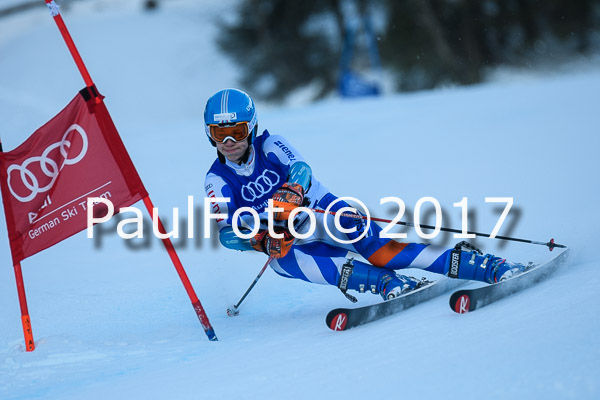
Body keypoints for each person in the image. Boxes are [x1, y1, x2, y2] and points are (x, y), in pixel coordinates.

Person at [203, 88, 526, 302]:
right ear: (210, 135)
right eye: (220, 133)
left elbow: (301, 168)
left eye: (237, 131)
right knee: (282, 264)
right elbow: (226, 234)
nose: (229, 142)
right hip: (287, 239)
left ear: (252, 128)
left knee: (383, 253)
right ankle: (386, 283)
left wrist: (294, 189)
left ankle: (485, 265)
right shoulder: (216, 180)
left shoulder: (271, 145)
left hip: (323, 212)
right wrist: (259, 241)